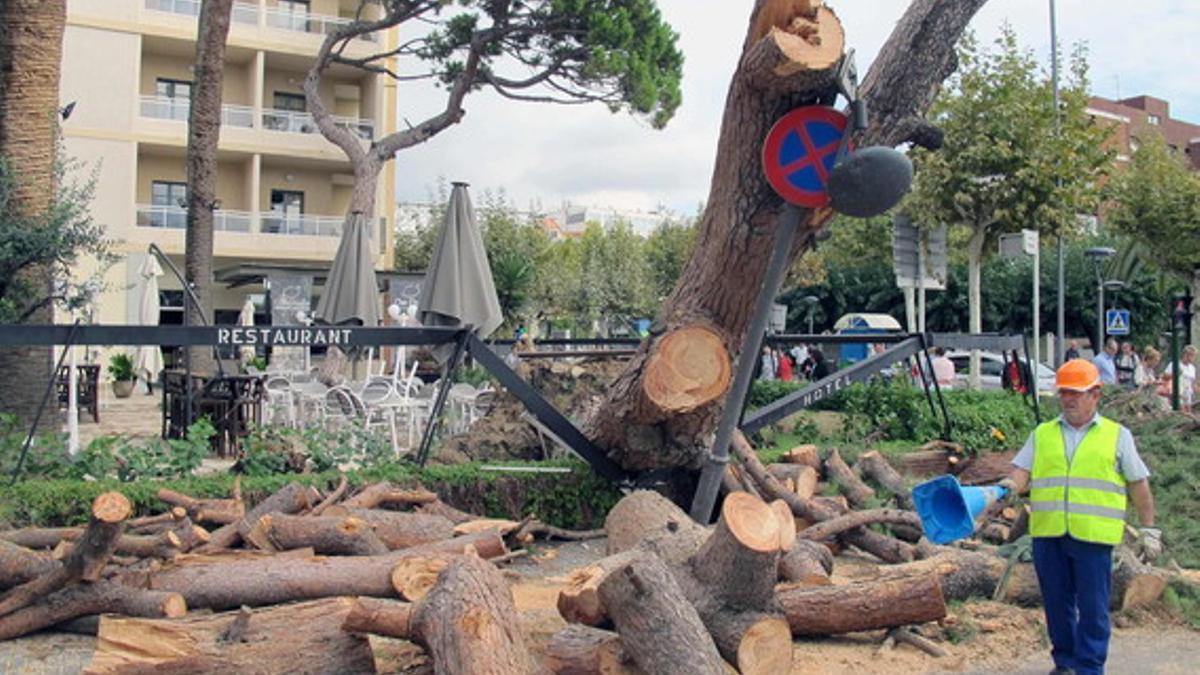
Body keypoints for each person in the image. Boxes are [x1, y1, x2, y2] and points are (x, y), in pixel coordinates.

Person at [998, 359, 1159, 675]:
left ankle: (1089, 667)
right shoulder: (1043, 434)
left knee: (1093, 608)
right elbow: (1021, 472)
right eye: (1064, 393)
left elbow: (1138, 484)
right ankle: (1065, 663)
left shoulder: (1117, 436)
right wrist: (1008, 486)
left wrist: (1150, 529)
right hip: (1049, 535)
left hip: (1093, 537)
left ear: (1095, 394)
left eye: (1076, 393)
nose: (1068, 399)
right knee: (1057, 605)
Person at [1162, 344, 1197, 412]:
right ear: (1186, 355)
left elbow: (1192, 382)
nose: (1193, 358)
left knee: (1188, 412)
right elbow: (1164, 377)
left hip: (1187, 395)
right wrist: (1175, 374)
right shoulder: (1174, 364)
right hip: (1176, 393)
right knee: (1180, 412)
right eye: (1192, 355)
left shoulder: (1192, 368)